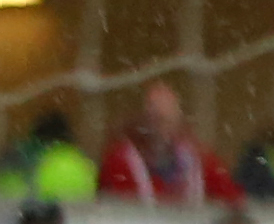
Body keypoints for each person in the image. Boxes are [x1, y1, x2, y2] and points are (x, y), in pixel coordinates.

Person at [95, 81, 241, 205]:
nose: (161, 129)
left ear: (179, 119)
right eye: (156, 119)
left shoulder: (201, 161)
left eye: (167, 120)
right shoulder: (120, 162)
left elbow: (233, 202)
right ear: (143, 119)